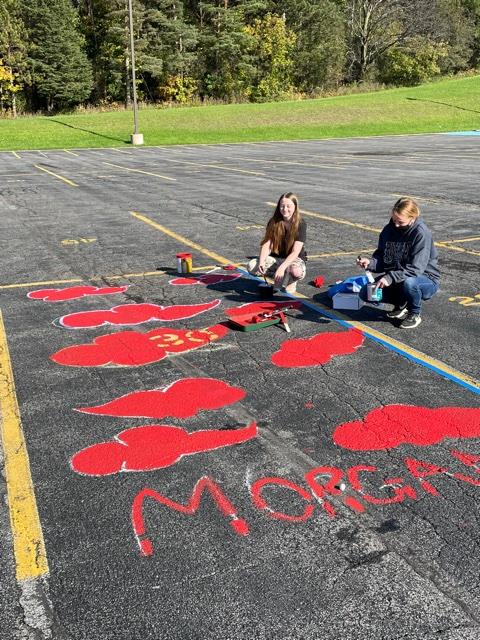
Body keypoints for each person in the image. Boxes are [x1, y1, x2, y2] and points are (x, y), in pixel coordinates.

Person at [356, 197, 439, 329]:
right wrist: (370, 263)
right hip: (398, 278)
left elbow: (416, 268)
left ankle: (414, 313)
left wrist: (390, 278)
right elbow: (383, 258)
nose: (396, 225)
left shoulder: (421, 233)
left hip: (424, 279)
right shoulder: (388, 230)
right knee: (366, 292)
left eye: (400, 222)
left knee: (410, 283)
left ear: (412, 218)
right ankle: (401, 305)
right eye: (394, 220)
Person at [248, 192, 307, 294]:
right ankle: (279, 277)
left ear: (295, 207)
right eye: (282, 206)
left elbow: (295, 252)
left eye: (288, 206)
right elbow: (267, 244)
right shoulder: (274, 221)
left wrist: (282, 267)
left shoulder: (300, 224)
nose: (285, 209)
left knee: (296, 272)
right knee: (252, 266)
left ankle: (291, 280)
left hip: (293, 259)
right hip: (276, 258)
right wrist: (261, 261)